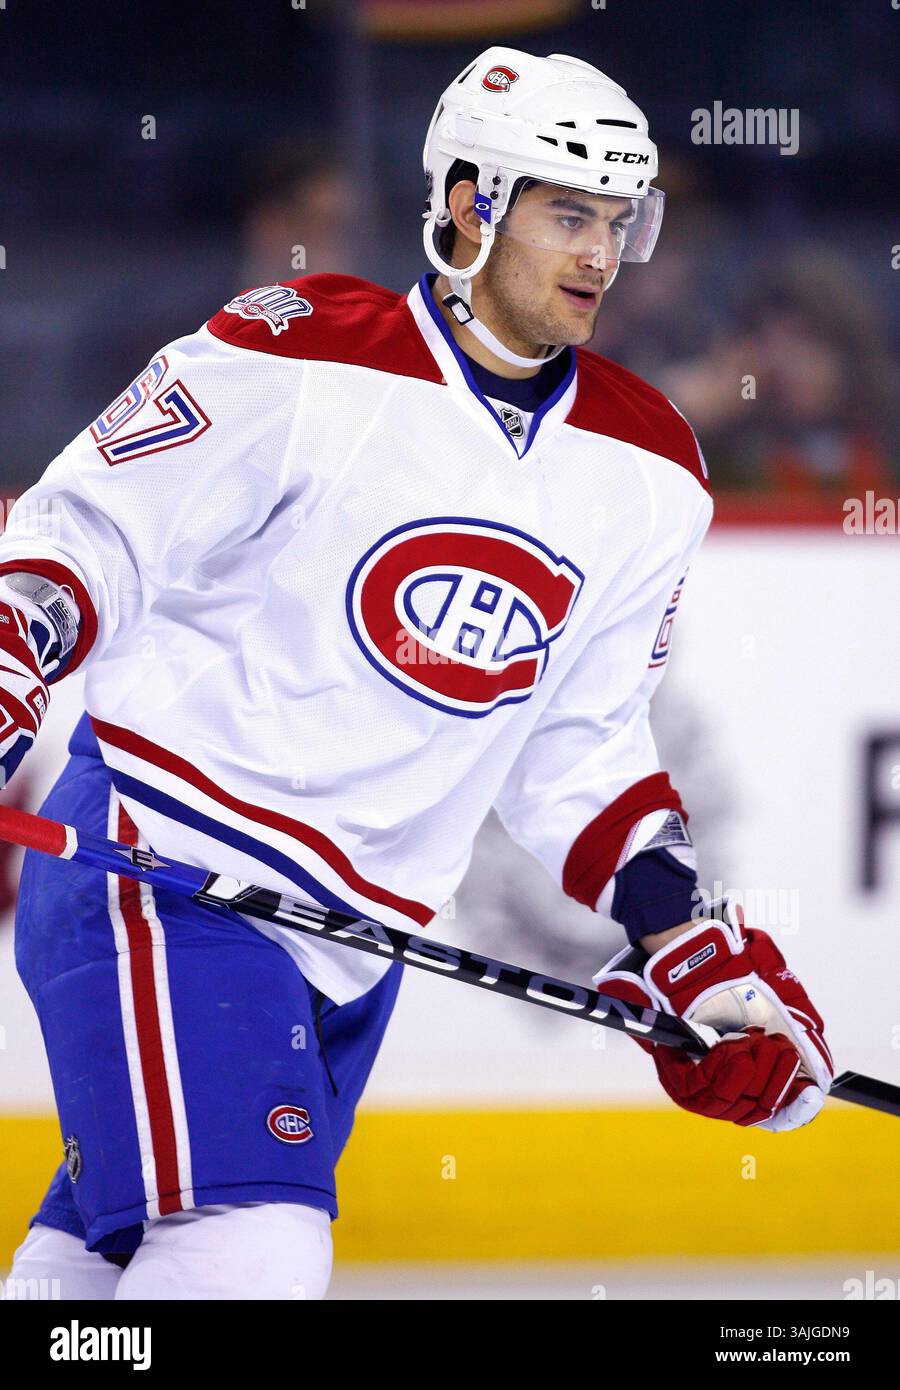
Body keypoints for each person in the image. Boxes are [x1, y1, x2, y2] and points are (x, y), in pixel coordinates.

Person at [4, 47, 831, 1301]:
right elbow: (89, 532)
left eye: (619, 220)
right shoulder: (298, 352)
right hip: (165, 872)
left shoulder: (649, 465)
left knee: (99, 1262)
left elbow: (585, 743)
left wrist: (686, 945)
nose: (601, 254)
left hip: (354, 941)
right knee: (247, 1248)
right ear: (467, 205)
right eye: (567, 213)